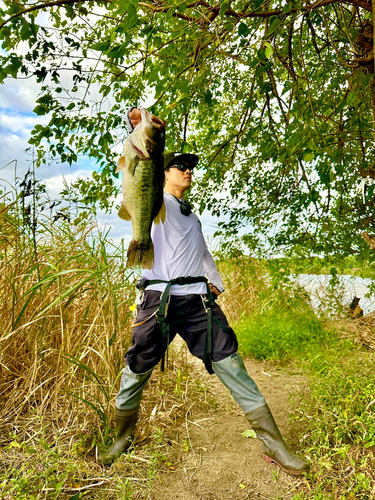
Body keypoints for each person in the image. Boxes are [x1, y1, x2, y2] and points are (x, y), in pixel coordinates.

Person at [98, 108, 309, 475]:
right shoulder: (155, 200)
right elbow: (136, 164)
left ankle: (275, 446)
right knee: (135, 370)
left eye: (190, 168)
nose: (188, 171)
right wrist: (136, 128)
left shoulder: (191, 215)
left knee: (234, 367)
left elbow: (203, 253)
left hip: (198, 302)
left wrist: (217, 282)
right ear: (163, 173)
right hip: (156, 303)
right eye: (181, 167)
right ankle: (122, 438)